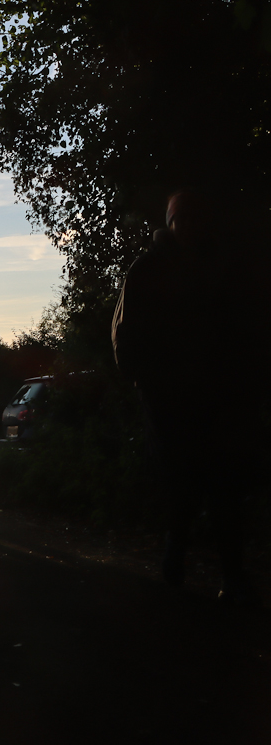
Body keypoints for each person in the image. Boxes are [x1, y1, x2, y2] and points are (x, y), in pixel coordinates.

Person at [112, 190, 257, 606]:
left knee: (225, 489)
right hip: (170, 403)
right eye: (184, 219)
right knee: (181, 489)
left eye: (198, 218)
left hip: (221, 400)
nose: (192, 226)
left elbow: (243, 330)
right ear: (171, 223)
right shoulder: (148, 269)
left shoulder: (223, 268)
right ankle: (173, 568)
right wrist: (148, 384)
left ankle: (232, 576)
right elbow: (126, 335)